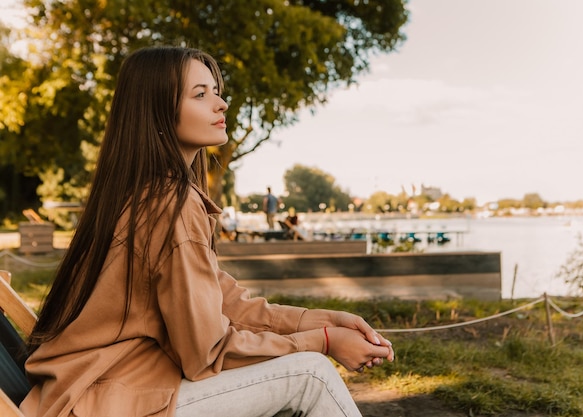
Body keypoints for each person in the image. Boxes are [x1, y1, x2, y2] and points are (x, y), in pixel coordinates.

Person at [20, 46, 393, 417]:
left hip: (106, 389)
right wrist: (322, 343)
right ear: (158, 112)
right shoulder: (169, 204)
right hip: (99, 401)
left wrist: (327, 321)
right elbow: (206, 353)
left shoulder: (151, 194)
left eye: (216, 91)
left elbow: (227, 304)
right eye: (201, 94)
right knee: (312, 377)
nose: (221, 104)